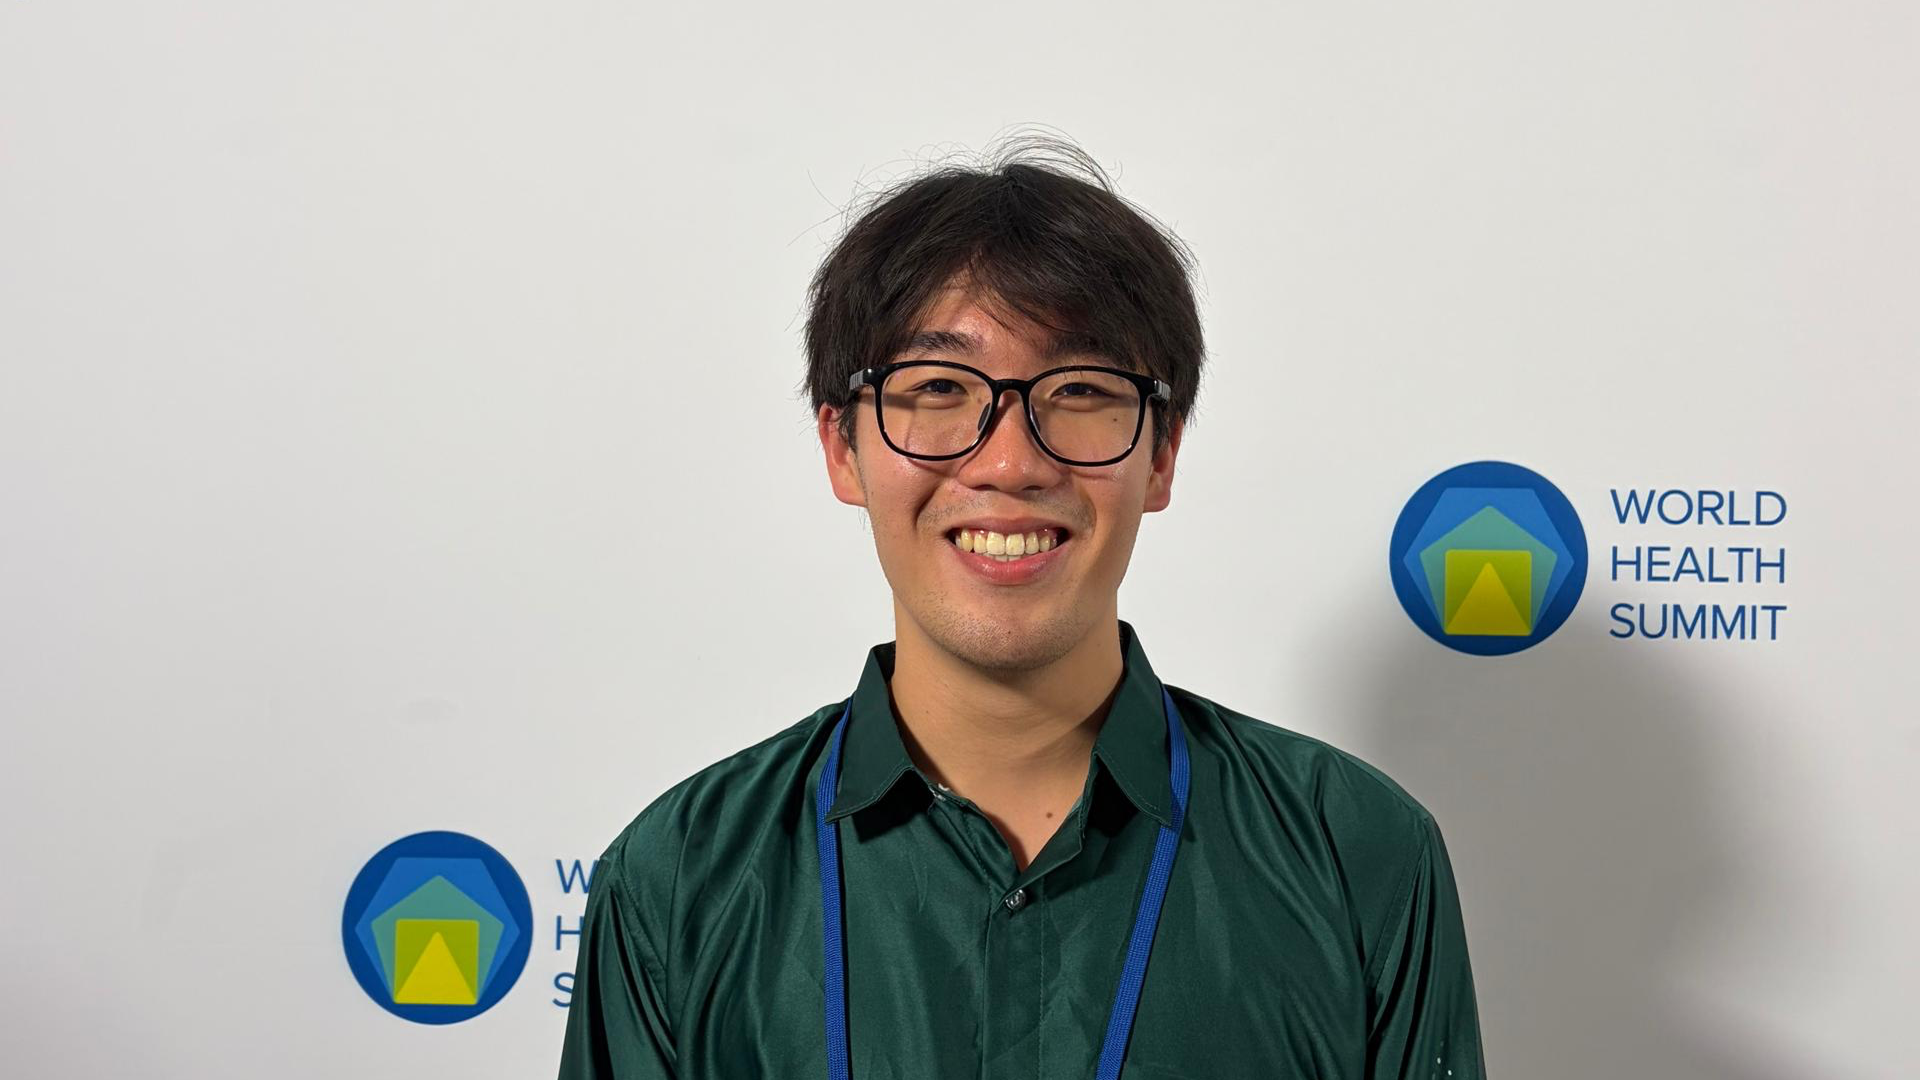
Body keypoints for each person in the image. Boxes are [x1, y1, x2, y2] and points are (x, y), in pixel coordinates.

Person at [557, 134, 1486, 1079]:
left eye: (1081, 389)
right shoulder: (681, 879)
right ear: (843, 449)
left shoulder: (1354, 852)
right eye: (938, 389)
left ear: (1159, 453)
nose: (1008, 462)